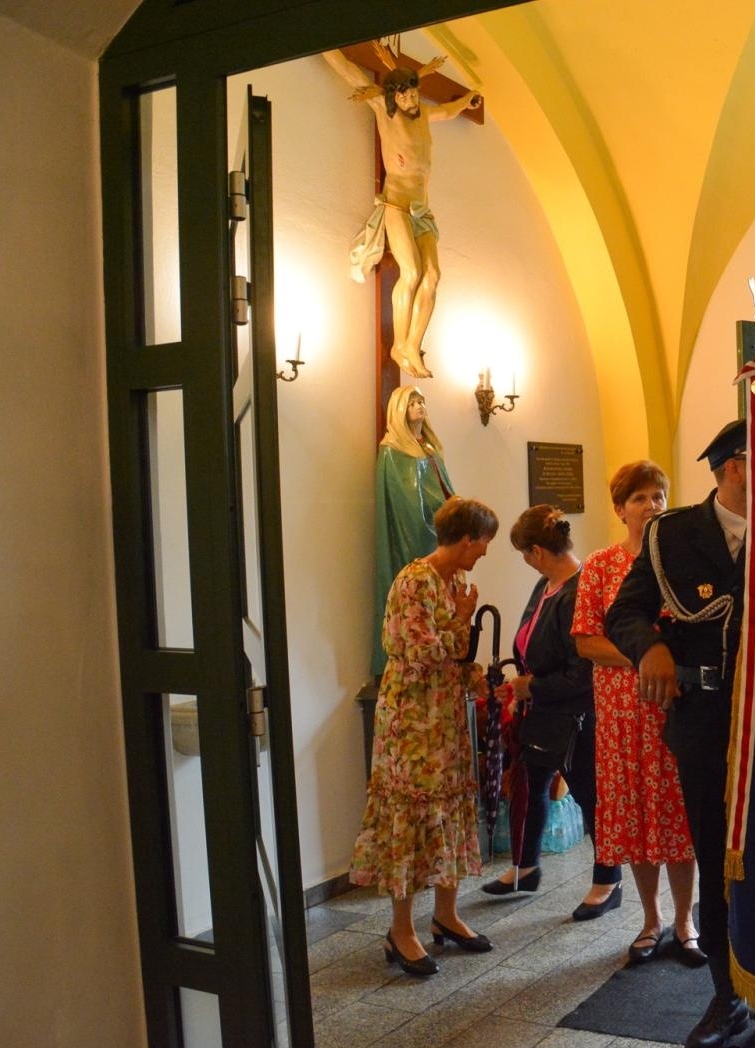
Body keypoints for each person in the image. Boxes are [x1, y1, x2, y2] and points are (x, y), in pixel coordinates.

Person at [605, 420, 755, 1048]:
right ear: (736, 467)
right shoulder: (672, 534)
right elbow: (624, 613)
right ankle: (726, 996)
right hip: (705, 718)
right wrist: (651, 647)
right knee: (717, 862)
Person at [349, 496, 499, 976]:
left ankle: (447, 915)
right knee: (411, 819)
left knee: (450, 809)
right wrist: (460, 623)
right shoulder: (415, 580)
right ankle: (400, 930)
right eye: (485, 542)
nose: (485, 553)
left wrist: (476, 675)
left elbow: (455, 656)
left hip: (445, 716)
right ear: (468, 538)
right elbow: (425, 652)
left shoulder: (453, 580)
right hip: (412, 720)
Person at [571, 461, 703, 966]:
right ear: (619, 508)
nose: (651, 506)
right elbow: (586, 640)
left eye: (658, 496)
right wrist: (644, 653)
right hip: (623, 716)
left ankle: (687, 920)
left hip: (675, 708)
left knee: (679, 819)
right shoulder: (601, 566)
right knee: (640, 822)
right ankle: (651, 920)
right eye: (640, 498)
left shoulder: (681, 560)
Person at [480, 506, 623, 920]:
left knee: (591, 797)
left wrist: (532, 686)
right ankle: (525, 868)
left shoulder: (578, 591)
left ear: (538, 550)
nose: (525, 561)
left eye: (525, 554)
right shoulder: (546, 584)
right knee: (529, 782)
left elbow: (583, 672)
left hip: (576, 713)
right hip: (542, 709)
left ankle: (608, 880)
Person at [323, 47, 481, 378]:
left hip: (423, 210)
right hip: (396, 206)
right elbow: (349, 70)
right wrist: (326, 42)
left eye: (415, 94)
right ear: (395, 94)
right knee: (410, 273)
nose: (412, 101)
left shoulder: (422, 114)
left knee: (433, 275)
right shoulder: (384, 108)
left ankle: (412, 343)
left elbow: (450, 111)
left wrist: (471, 97)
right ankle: (399, 344)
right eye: (406, 95)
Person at [372, 385, 453, 676]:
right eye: (412, 403)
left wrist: (454, 513)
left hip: (442, 532)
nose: (419, 406)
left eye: (421, 401)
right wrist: (437, 516)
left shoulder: (430, 449)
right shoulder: (393, 452)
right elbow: (405, 504)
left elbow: (444, 491)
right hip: (416, 537)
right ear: (399, 411)